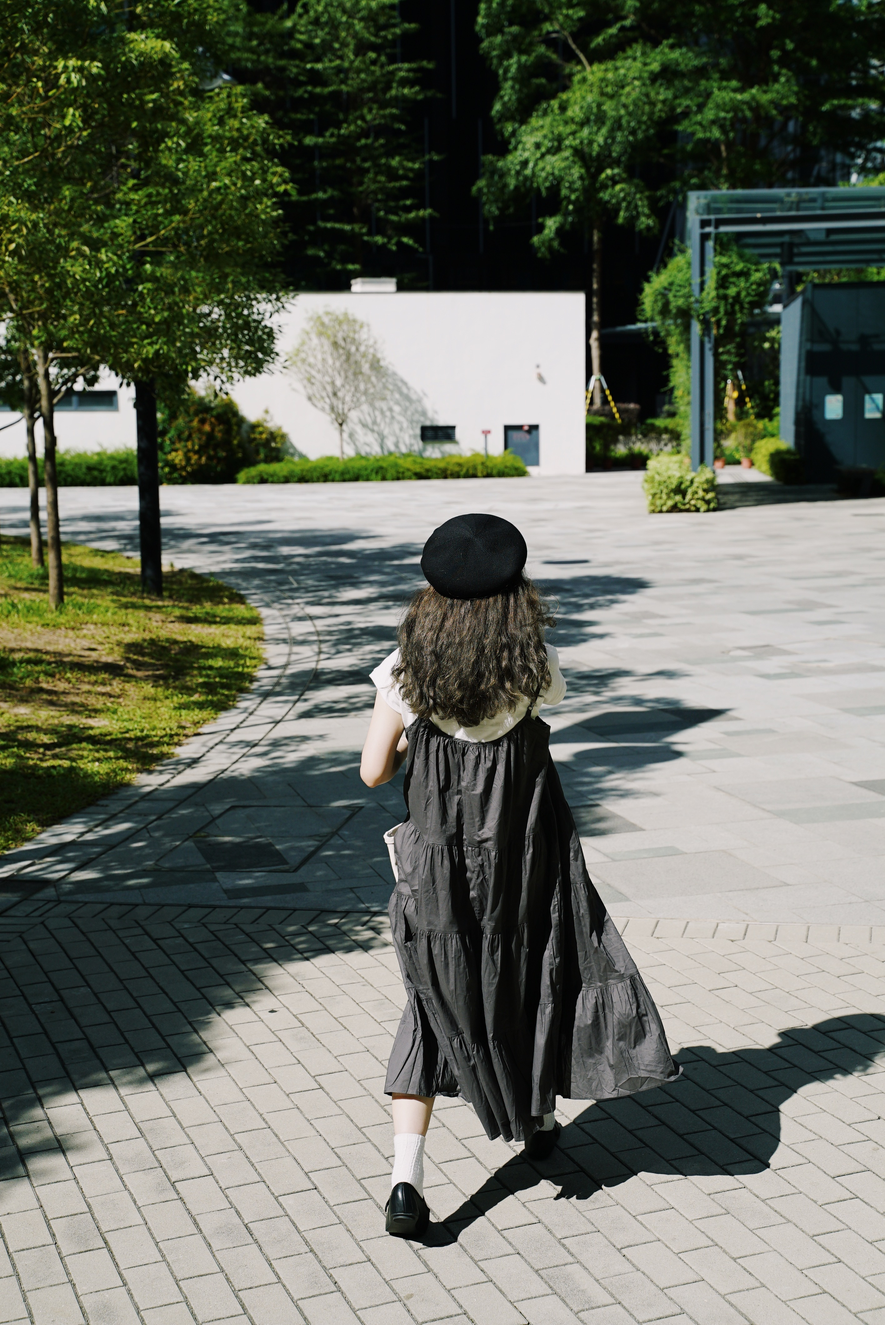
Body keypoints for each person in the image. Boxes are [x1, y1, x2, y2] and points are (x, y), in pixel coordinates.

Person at [360, 513, 680, 1238]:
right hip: (524, 863)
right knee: (530, 975)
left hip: (439, 873)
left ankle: (406, 1180)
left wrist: (414, 742)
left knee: (434, 1001)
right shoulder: (532, 666)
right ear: (515, 594)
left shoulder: (405, 670)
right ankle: (536, 1120)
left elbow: (373, 770)